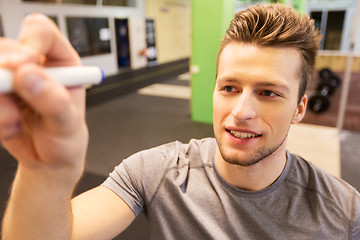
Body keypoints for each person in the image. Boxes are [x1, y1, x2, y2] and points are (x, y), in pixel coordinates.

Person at [1, 3, 359, 240]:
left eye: (268, 93)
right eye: (230, 88)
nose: (240, 111)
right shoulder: (157, 172)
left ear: (299, 108)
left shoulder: (343, 213)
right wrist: (45, 171)